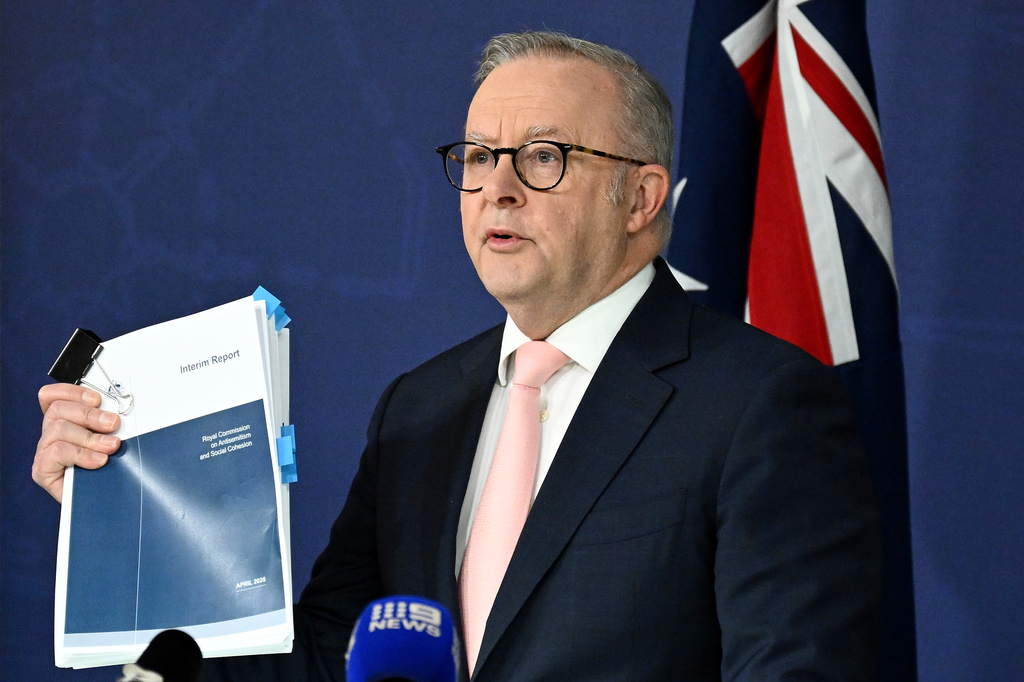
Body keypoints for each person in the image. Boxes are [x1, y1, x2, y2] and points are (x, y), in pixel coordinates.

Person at [34, 31, 882, 681]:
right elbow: (324, 659)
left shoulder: (758, 405)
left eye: (544, 158)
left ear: (642, 197)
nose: (498, 188)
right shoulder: (422, 407)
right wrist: (128, 515)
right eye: (478, 157)